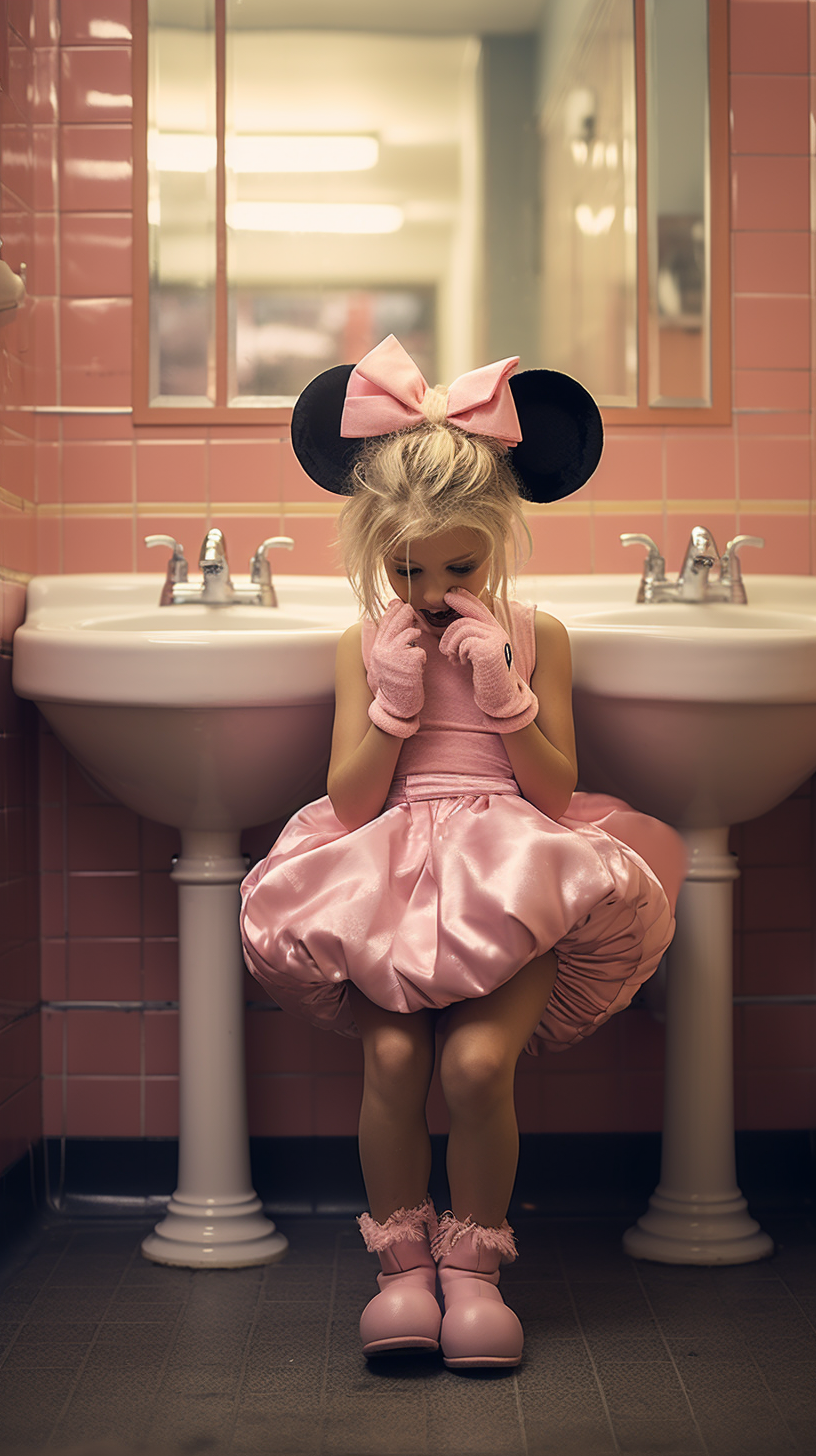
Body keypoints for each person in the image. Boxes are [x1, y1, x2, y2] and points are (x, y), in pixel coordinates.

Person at [240, 335, 686, 1370]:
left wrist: (505, 691)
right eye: (406, 568)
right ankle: (403, 1273)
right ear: (372, 551)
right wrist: (394, 704)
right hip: (387, 871)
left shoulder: (541, 635)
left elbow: (556, 790)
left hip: (507, 864)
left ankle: (475, 1274)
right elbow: (351, 799)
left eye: (458, 566)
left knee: (481, 1064)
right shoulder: (364, 641)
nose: (433, 588)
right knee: (395, 1057)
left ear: (498, 542)